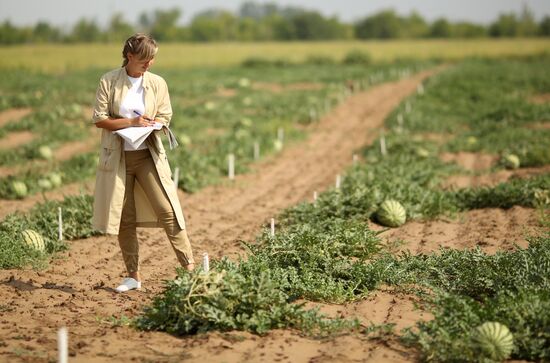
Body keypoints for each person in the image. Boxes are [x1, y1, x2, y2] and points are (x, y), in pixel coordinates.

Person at [91, 33, 195, 293]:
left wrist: (156, 124)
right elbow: (100, 119)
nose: (149, 64)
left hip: (147, 155)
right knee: (125, 218)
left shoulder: (158, 83)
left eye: (152, 59)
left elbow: (165, 115)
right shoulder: (109, 80)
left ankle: (190, 269)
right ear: (130, 56)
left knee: (168, 211)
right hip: (118, 158)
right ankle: (133, 277)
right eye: (145, 59)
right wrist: (132, 122)